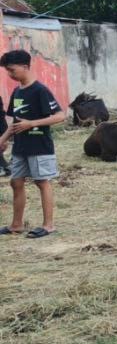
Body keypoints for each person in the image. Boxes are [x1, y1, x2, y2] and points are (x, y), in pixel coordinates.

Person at [0, 50, 66, 238]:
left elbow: (61, 115)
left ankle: (48, 225)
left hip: (39, 146)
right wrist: (3, 140)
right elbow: (15, 122)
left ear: (25, 67)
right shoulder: (17, 91)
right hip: (21, 147)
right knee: (15, 182)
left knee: (42, 182)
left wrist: (32, 124)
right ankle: (16, 225)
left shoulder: (40, 90)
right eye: (7, 71)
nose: (10, 75)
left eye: (12, 70)